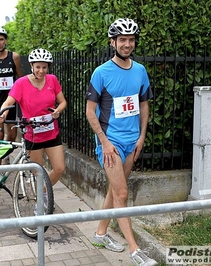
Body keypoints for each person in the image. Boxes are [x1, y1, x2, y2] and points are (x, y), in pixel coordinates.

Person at [85, 18, 157, 266]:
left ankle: (100, 233)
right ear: (113, 42)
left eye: (131, 40)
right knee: (123, 193)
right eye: (122, 40)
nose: (127, 44)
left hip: (131, 142)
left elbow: (144, 104)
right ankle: (135, 251)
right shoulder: (101, 72)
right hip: (111, 143)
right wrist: (104, 142)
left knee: (115, 191)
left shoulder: (140, 71)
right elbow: (89, 111)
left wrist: (142, 136)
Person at [0, 48, 67, 203]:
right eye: (38, 67)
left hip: (51, 132)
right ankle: (41, 202)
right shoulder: (21, 83)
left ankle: (41, 192)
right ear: (31, 66)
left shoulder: (52, 80)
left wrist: (57, 111)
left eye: (44, 67)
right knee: (38, 172)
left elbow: (62, 102)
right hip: (32, 134)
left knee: (59, 168)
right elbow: (8, 102)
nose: (41, 71)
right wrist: (3, 113)